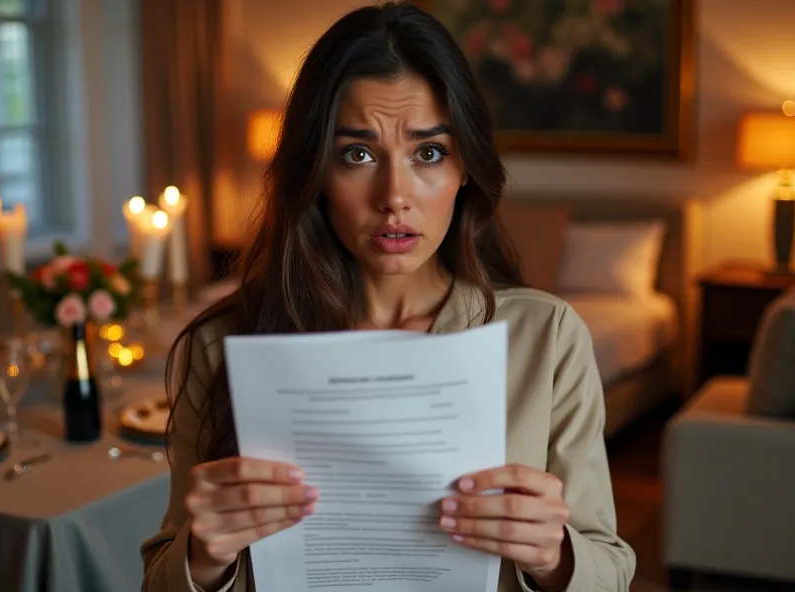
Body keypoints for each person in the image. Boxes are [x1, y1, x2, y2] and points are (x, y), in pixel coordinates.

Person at [141, 2, 635, 591]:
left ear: (465, 169)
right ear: (316, 172)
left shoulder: (546, 338)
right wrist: (203, 554)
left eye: (428, 153)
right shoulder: (221, 345)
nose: (394, 195)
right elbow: (161, 580)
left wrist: (555, 555)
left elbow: (610, 570)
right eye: (358, 154)